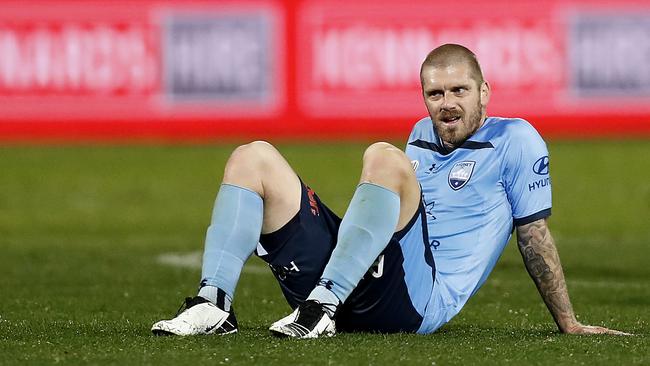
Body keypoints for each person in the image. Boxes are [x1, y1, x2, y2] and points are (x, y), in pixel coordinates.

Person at [151, 44, 628, 338]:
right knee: (252, 157)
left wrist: (567, 322)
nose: (447, 105)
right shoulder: (420, 133)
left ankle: (321, 306)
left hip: (420, 301)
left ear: (485, 92)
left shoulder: (516, 139)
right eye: (436, 94)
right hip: (372, 274)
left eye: (460, 91)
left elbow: (534, 234)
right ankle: (215, 304)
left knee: (382, 155)